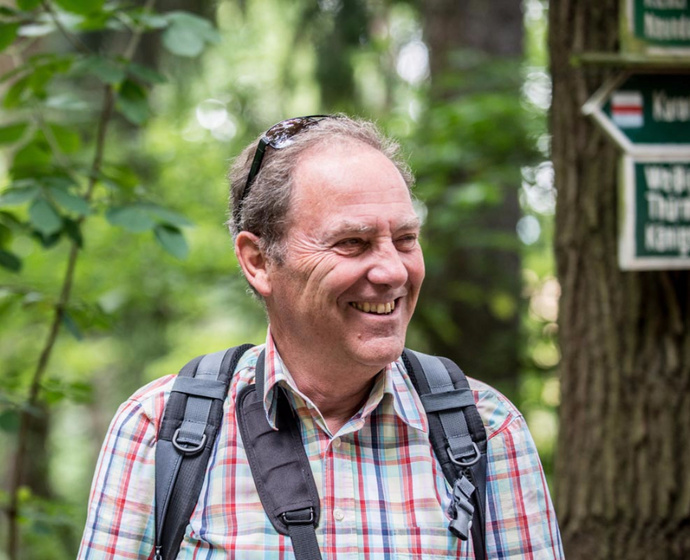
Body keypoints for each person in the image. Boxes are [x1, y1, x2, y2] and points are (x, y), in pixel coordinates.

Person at [78, 115, 564, 559]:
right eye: (351, 242)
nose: (393, 270)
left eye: (405, 239)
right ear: (259, 261)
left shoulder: (485, 430)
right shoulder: (162, 428)